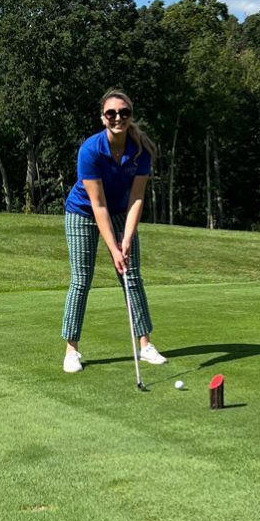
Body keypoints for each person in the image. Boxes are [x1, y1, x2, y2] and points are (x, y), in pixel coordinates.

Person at [61, 88, 168, 374]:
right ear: (103, 117)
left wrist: (128, 238)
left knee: (132, 276)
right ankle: (71, 350)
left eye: (124, 112)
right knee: (81, 280)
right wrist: (114, 248)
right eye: (111, 113)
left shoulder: (140, 150)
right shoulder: (91, 150)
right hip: (83, 212)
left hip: (121, 212)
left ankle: (145, 345)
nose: (117, 117)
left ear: (130, 115)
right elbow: (98, 206)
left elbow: (137, 198)